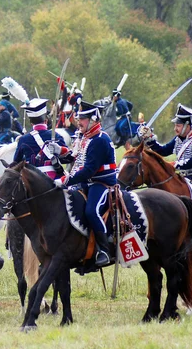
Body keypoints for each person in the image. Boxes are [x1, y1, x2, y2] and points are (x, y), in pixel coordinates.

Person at [48, 102, 116, 267]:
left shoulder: (99, 140)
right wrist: (58, 150)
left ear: (93, 120)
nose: (79, 122)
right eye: (79, 118)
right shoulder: (83, 137)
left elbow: (88, 170)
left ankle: (104, 250)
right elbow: (74, 155)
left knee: (92, 211)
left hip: (101, 183)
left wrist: (65, 181)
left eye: (83, 119)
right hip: (85, 182)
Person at [139, 104, 192, 186]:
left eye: (178, 126)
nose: (175, 129)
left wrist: (174, 164)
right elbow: (163, 151)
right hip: (183, 178)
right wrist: (150, 139)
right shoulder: (177, 139)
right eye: (175, 125)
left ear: (187, 126)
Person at [13, 98, 67, 179]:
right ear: (46, 121)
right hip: (54, 180)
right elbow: (66, 159)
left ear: (31, 123)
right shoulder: (56, 136)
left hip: (31, 181)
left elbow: (16, 162)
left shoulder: (23, 140)